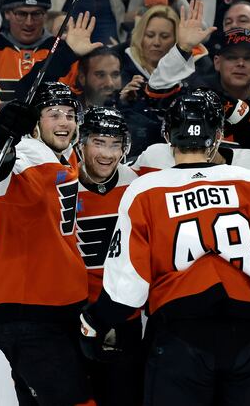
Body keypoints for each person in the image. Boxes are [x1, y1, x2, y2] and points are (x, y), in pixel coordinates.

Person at [79, 88, 250, 405]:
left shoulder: (144, 191)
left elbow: (128, 293)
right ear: (220, 135)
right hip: (247, 340)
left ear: (168, 135)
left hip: (180, 342)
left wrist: (94, 321)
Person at [0, 82, 94, 405]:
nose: (64, 122)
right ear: (35, 124)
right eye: (53, 114)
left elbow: (4, 223)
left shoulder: (65, 160)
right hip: (29, 310)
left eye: (69, 114)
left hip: (54, 307)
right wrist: (0, 144)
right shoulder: (26, 154)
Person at [75, 106, 143, 406]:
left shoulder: (139, 183)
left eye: (115, 144)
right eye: (99, 142)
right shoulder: (60, 182)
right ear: (82, 143)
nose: (108, 153)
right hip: (74, 314)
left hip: (124, 316)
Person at [118, 1, 212, 158]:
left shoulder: (194, 71)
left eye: (164, 36)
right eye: (150, 35)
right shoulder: (120, 65)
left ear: (177, 39)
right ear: (140, 36)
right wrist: (123, 101)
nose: (156, 42)